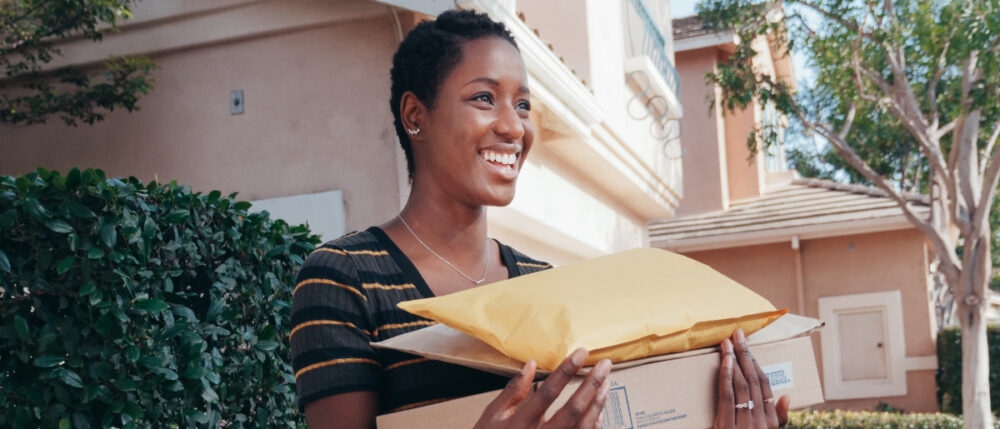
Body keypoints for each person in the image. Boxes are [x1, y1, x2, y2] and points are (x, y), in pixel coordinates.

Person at [290, 9, 790, 429]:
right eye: (484, 98)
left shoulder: (545, 286)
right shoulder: (343, 278)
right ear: (415, 115)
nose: (513, 127)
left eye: (523, 104)